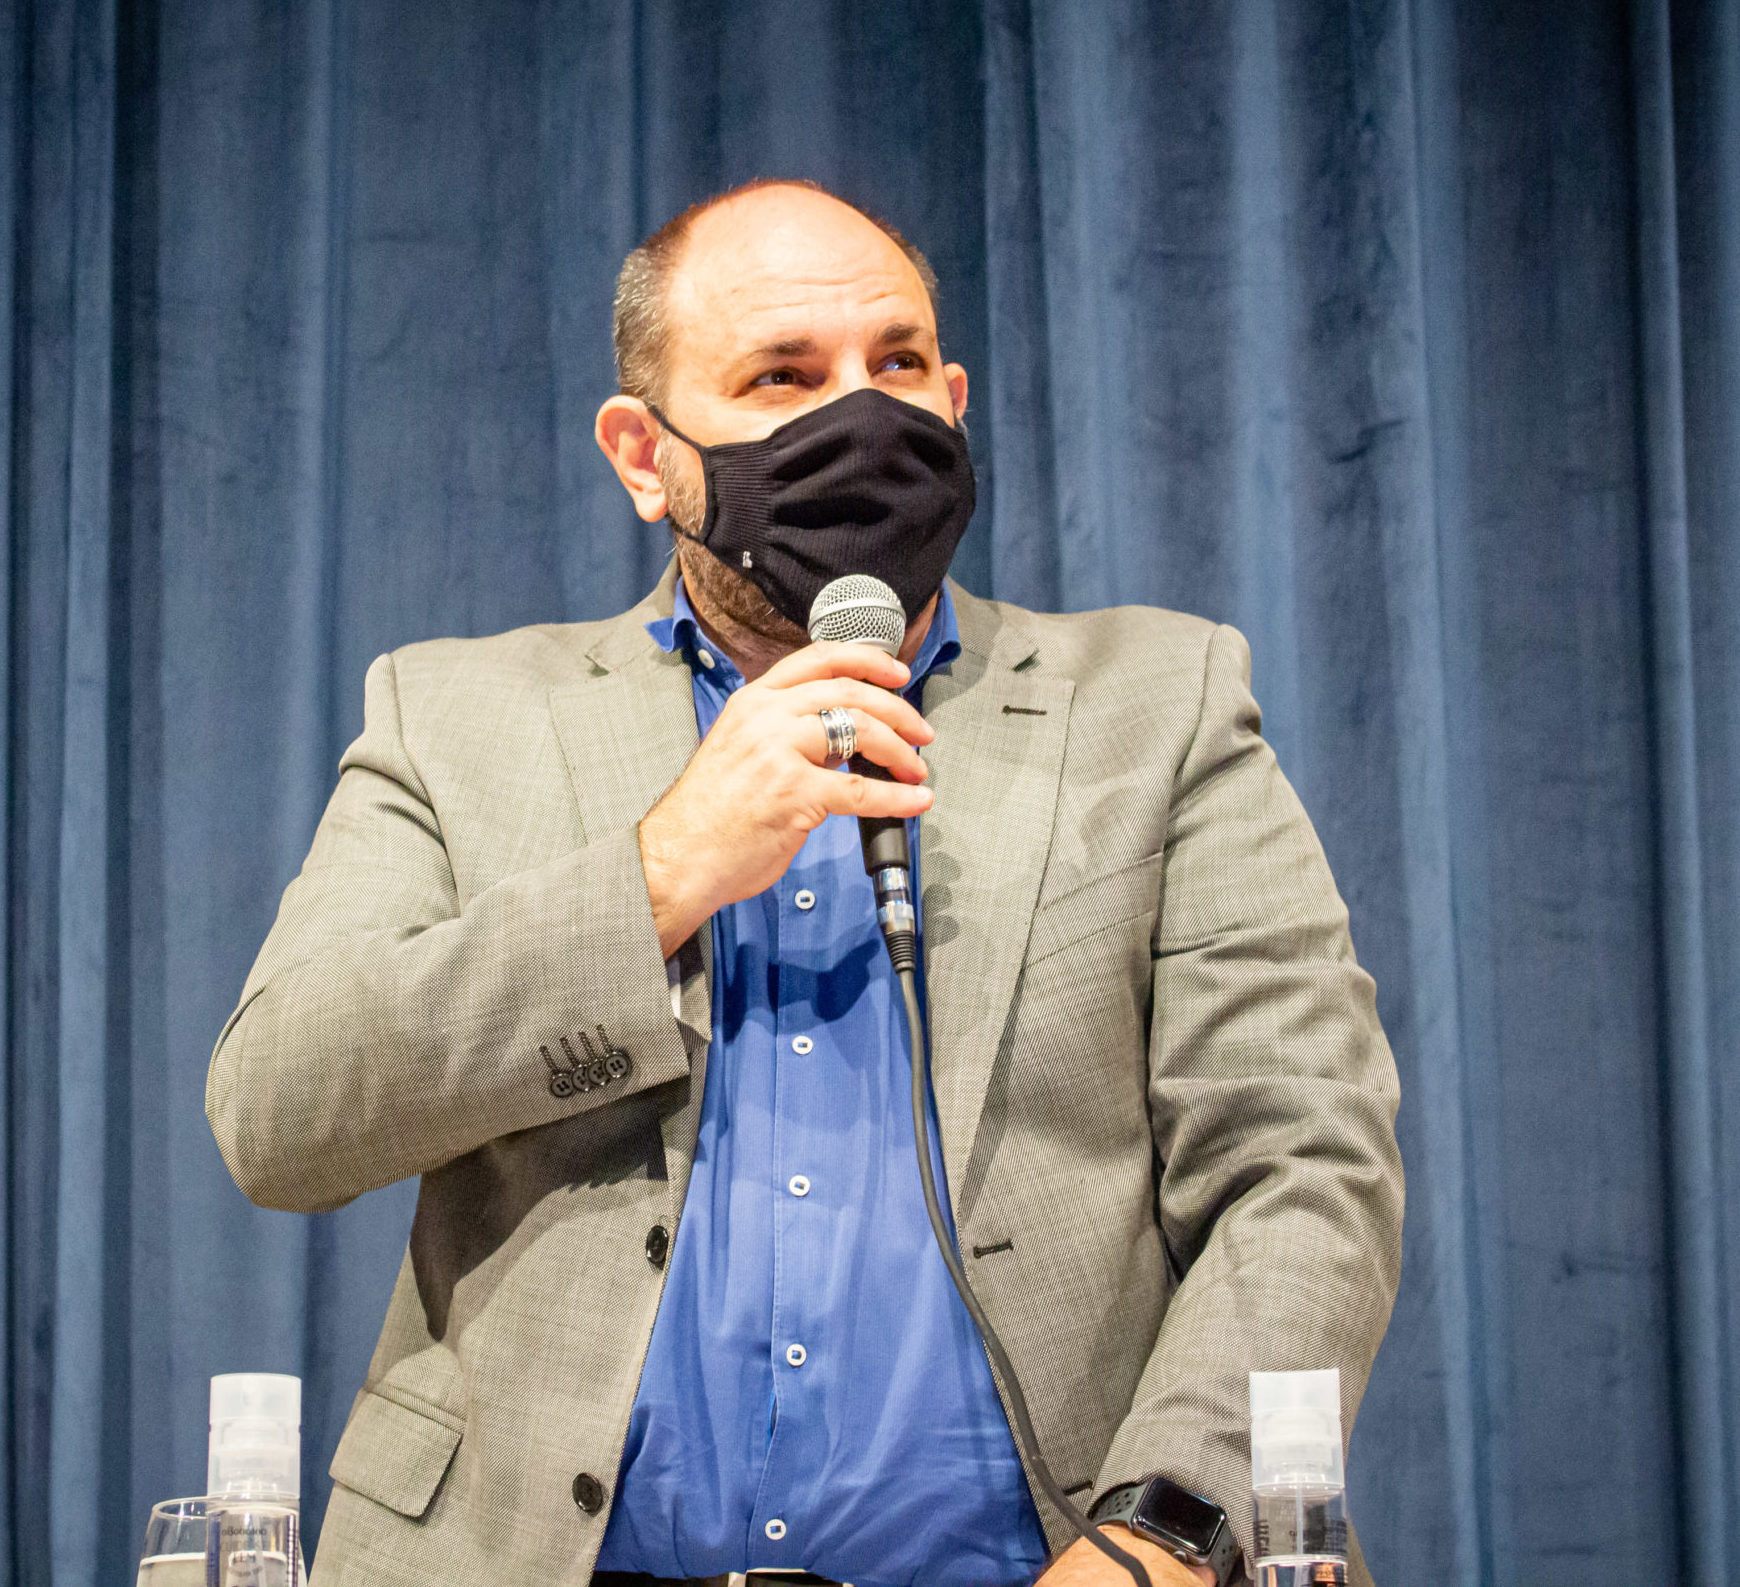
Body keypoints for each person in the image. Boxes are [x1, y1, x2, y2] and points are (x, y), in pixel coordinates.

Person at [209, 178, 1403, 1587]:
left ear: (955, 400)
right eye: (782, 377)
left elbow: (1302, 1165)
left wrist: (1164, 1537)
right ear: (644, 456)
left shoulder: (1159, 704)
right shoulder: (456, 718)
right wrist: (659, 874)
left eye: (898, 366)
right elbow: (281, 1113)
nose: (862, 419)